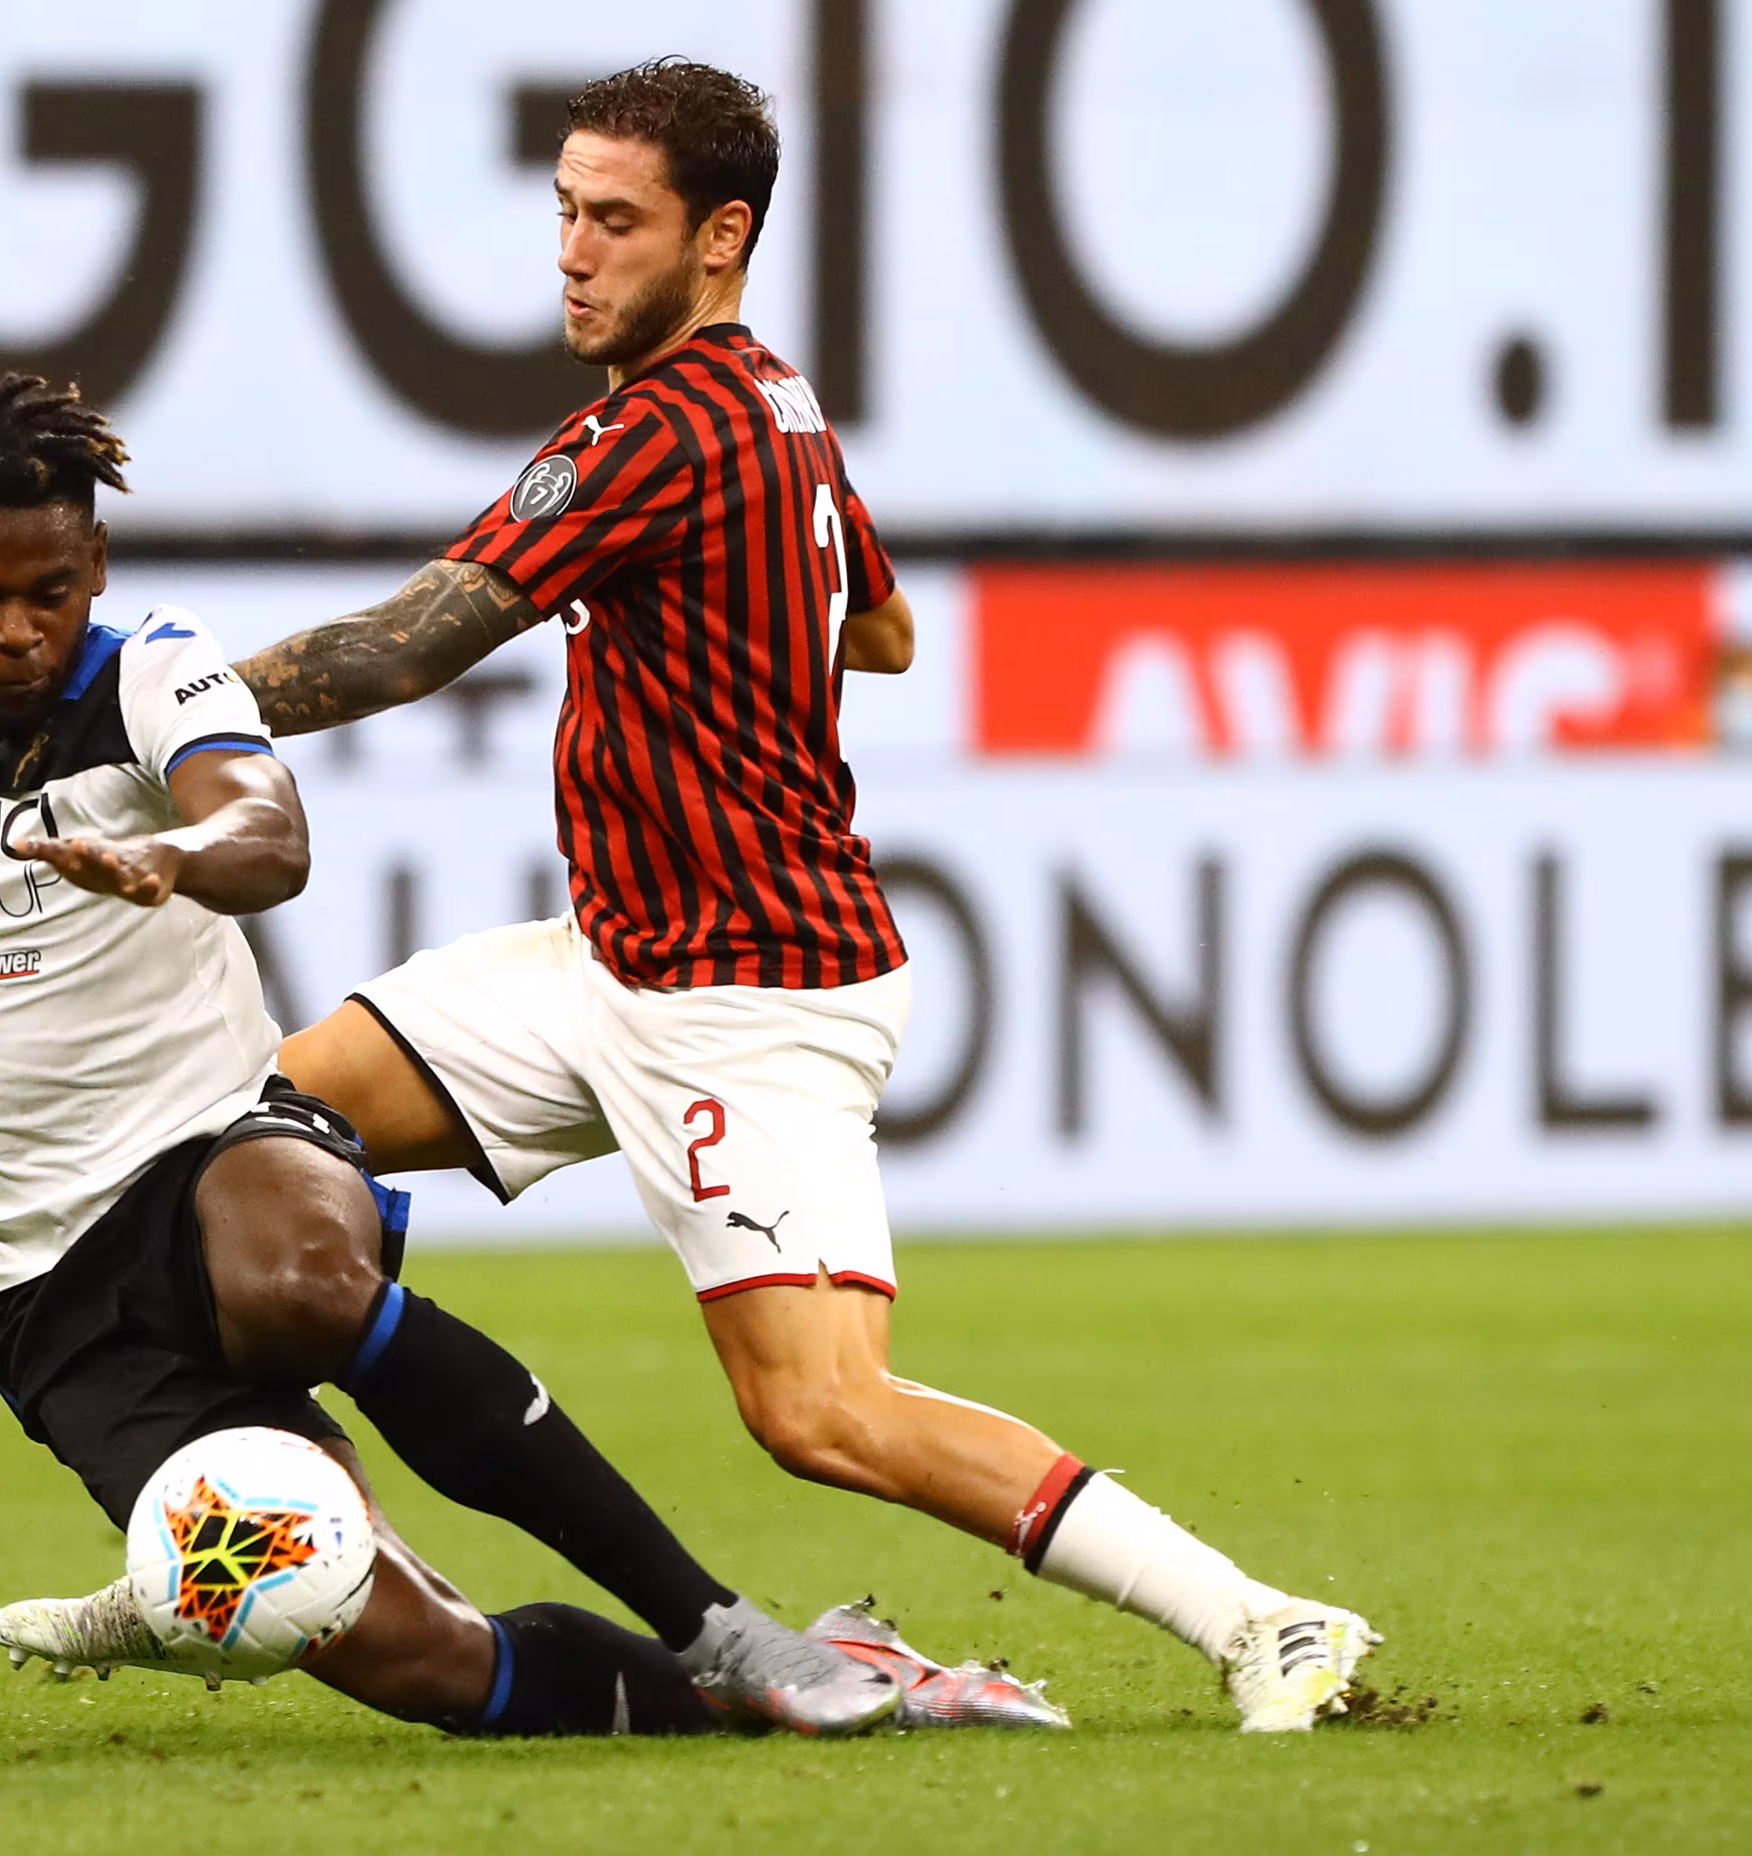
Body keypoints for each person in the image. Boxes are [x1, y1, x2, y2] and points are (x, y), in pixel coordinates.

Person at [0, 375, 1025, 1740]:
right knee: (401, 1649)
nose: (21, 631)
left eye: (52, 593)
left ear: (94, 571)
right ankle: (763, 1693)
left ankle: (715, 1621)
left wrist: (173, 856)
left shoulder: (148, 675)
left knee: (297, 1278)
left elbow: (266, 829)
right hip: (40, 1294)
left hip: (215, 1147)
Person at [220, 60, 1379, 1731]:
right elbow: (883, 628)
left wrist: (159, 714)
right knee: (254, 1139)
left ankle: (1262, 1620)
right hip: (612, 959)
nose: (574, 252)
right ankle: (287, 1546)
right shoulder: (780, 404)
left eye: (618, 221)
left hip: (750, 994)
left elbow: (409, 646)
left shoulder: (655, 433)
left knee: (823, 1413)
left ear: (721, 237)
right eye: (565, 211)